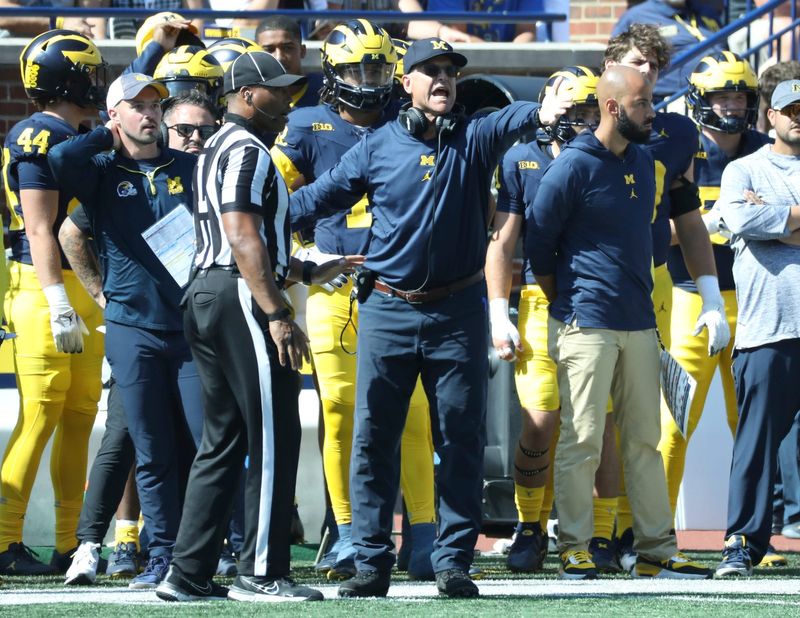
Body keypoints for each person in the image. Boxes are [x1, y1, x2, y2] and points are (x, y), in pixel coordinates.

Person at [289, 36, 571, 598]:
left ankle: (452, 562)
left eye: (451, 70)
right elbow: (311, 200)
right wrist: (257, 221)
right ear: (407, 83)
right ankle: (371, 561)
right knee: (373, 440)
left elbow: (512, 116)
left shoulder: (473, 136)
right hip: (387, 310)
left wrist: (542, 110)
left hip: (457, 312)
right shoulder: (374, 148)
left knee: (460, 439)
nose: (443, 78)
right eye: (430, 70)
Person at [154, 51, 358, 603]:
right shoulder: (246, 149)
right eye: (279, 90)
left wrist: (307, 270)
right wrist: (277, 313)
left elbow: (245, 239)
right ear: (246, 94)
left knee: (222, 439)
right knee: (274, 431)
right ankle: (262, 570)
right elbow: (242, 236)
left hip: (209, 292)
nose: (288, 99)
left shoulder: (217, 147)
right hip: (238, 295)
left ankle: (188, 570)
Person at [527, 65, 711, 581]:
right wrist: (569, 301)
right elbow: (538, 246)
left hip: (638, 323)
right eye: (643, 104)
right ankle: (574, 547)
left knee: (644, 442)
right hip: (585, 323)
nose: (653, 114)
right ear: (613, 108)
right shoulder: (571, 168)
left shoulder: (647, 159)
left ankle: (655, 548)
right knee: (582, 438)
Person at [271, 18, 437, 582]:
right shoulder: (303, 126)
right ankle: (348, 535)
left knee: (414, 414)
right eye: (359, 67)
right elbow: (269, 202)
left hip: (400, 288)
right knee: (340, 416)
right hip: (334, 287)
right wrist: (305, 257)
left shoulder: (411, 122)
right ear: (333, 71)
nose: (370, 78)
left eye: (377, 66)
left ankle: (424, 535)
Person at [48, 73, 204, 589]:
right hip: (132, 329)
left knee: (207, 442)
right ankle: (161, 557)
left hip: (190, 330)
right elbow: (61, 163)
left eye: (154, 105)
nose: (149, 113)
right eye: (136, 106)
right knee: (152, 449)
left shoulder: (188, 166)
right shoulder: (99, 170)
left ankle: (208, 551)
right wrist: (98, 294)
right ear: (115, 115)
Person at [603, 24, 729, 572]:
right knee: (588, 418)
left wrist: (709, 294)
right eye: (636, 62)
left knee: (645, 416)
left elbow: (685, 215)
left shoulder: (676, 131)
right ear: (611, 64)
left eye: (655, 66)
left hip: (654, 278)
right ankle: (582, 533)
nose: (648, 73)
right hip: (589, 281)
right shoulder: (586, 114)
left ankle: (635, 535)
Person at [660, 50, 786, 565]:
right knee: (675, 420)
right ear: (699, 99)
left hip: (756, 299)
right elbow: (651, 231)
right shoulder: (678, 149)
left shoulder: (765, 150)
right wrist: (711, 224)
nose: (732, 105)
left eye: (740, 94)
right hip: (691, 296)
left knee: (756, 424)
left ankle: (761, 533)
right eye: (721, 95)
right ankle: (655, 532)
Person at [486, 65, 603, 575]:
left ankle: (602, 530)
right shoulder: (520, 156)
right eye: (571, 108)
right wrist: (497, 309)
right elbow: (503, 240)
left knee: (601, 425)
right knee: (540, 420)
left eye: (587, 110)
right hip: (537, 296)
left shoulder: (613, 155)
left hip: (598, 300)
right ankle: (530, 525)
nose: (579, 119)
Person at [0, 29, 106, 577]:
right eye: (86, 72)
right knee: (39, 415)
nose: (95, 81)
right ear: (64, 78)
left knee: (80, 417)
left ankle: (71, 540)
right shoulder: (36, 133)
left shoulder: (68, 130)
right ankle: (3, 539)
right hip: (45, 289)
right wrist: (58, 301)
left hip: (80, 288)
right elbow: (41, 229)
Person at [714, 79, 800, 577]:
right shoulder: (742, 169)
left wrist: (780, 219)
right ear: (770, 115)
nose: (798, 116)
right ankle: (742, 544)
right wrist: (770, 219)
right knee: (756, 447)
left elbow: (762, 220)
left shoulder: (754, 176)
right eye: (790, 108)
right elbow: (743, 221)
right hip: (768, 329)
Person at [611, 0, 724, 100]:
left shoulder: (706, 11)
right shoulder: (637, 16)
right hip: (673, 98)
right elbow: (617, 60)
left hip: (720, 93)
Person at [256, 15, 324, 110]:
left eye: (287, 48)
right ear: (256, 54)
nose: (279, 57)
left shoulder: (325, 90)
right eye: (269, 50)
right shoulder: (251, 97)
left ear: (302, 51)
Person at [423, 0, 540, 42]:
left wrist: (512, 59)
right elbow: (458, 36)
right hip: (460, 66)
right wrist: (499, 59)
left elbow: (527, 30)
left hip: (509, 65)